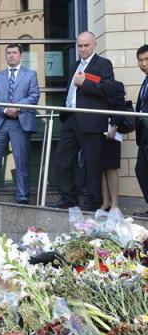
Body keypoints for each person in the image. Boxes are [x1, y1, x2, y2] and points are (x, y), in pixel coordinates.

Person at [50, 31, 114, 211]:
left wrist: (84, 83)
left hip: (91, 120)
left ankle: (93, 201)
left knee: (92, 163)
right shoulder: (74, 66)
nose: (83, 49)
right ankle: (68, 198)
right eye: (80, 46)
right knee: (62, 158)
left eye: (86, 45)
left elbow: (109, 89)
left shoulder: (103, 64)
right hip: (71, 118)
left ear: (94, 45)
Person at [0, 44, 40, 204]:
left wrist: (17, 107)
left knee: (21, 159)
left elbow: (34, 96)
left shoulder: (30, 75)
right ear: (6, 56)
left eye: (14, 53)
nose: (11, 55)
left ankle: (22, 194)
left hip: (20, 122)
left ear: (20, 55)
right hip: (0, 121)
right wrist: (5, 109)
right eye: (8, 53)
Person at [100, 80, 127, 213]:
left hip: (112, 129)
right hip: (96, 129)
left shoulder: (116, 85)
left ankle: (115, 203)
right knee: (102, 167)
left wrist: (115, 126)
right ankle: (106, 201)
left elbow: (120, 107)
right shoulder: (91, 84)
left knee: (111, 166)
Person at [133, 45, 148, 217]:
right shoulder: (145, 81)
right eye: (141, 60)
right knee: (141, 170)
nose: (143, 64)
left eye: (146, 59)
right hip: (144, 134)